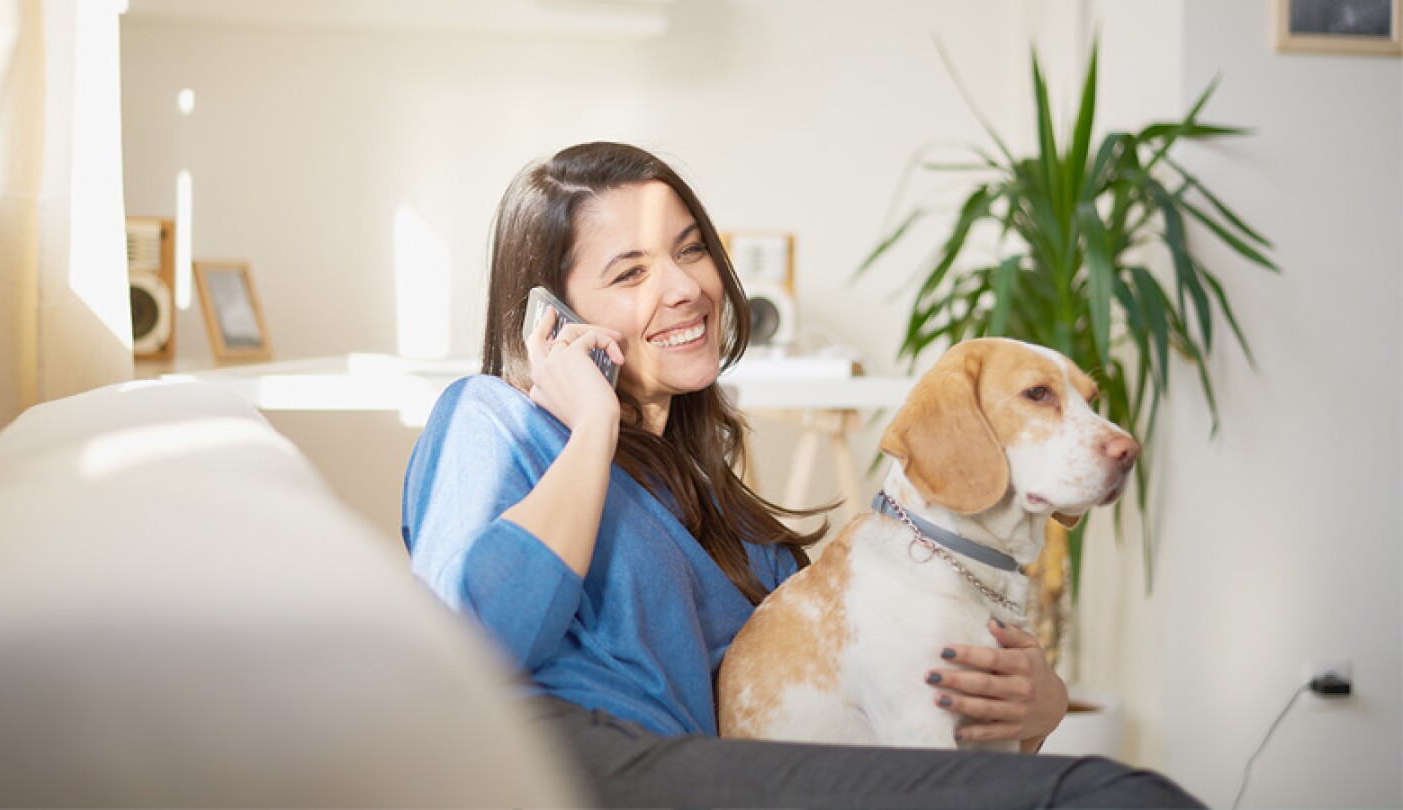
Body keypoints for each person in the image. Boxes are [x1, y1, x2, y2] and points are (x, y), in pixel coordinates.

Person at [401, 141, 1202, 808]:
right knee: (1116, 799)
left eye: (690, 249)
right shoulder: (491, 418)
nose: (685, 287)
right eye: (629, 273)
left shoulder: (731, 519)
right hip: (553, 771)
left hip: (698, 775)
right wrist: (592, 432)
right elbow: (470, 646)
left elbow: (833, 710)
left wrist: (1040, 707)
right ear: (552, 317)